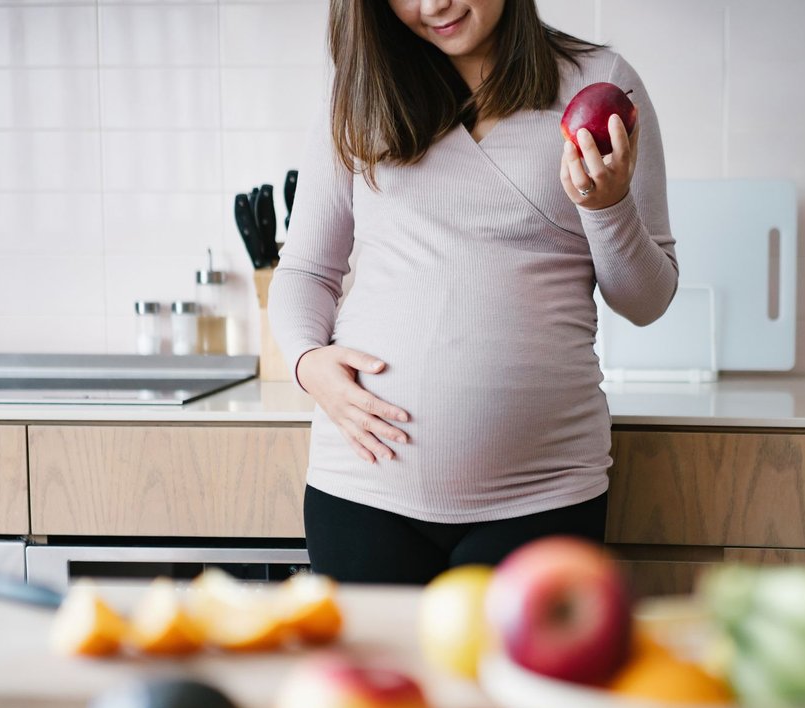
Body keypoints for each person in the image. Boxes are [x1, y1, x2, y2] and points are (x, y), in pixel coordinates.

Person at [268, 0, 677, 584]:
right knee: (376, 678)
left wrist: (607, 206)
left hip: (545, 494)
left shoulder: (601, 83)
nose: (433, 5)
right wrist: (309, 365)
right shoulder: (361, 89)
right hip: (363, 487)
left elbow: (646, 301)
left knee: (509, 681)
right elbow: (305, 270)